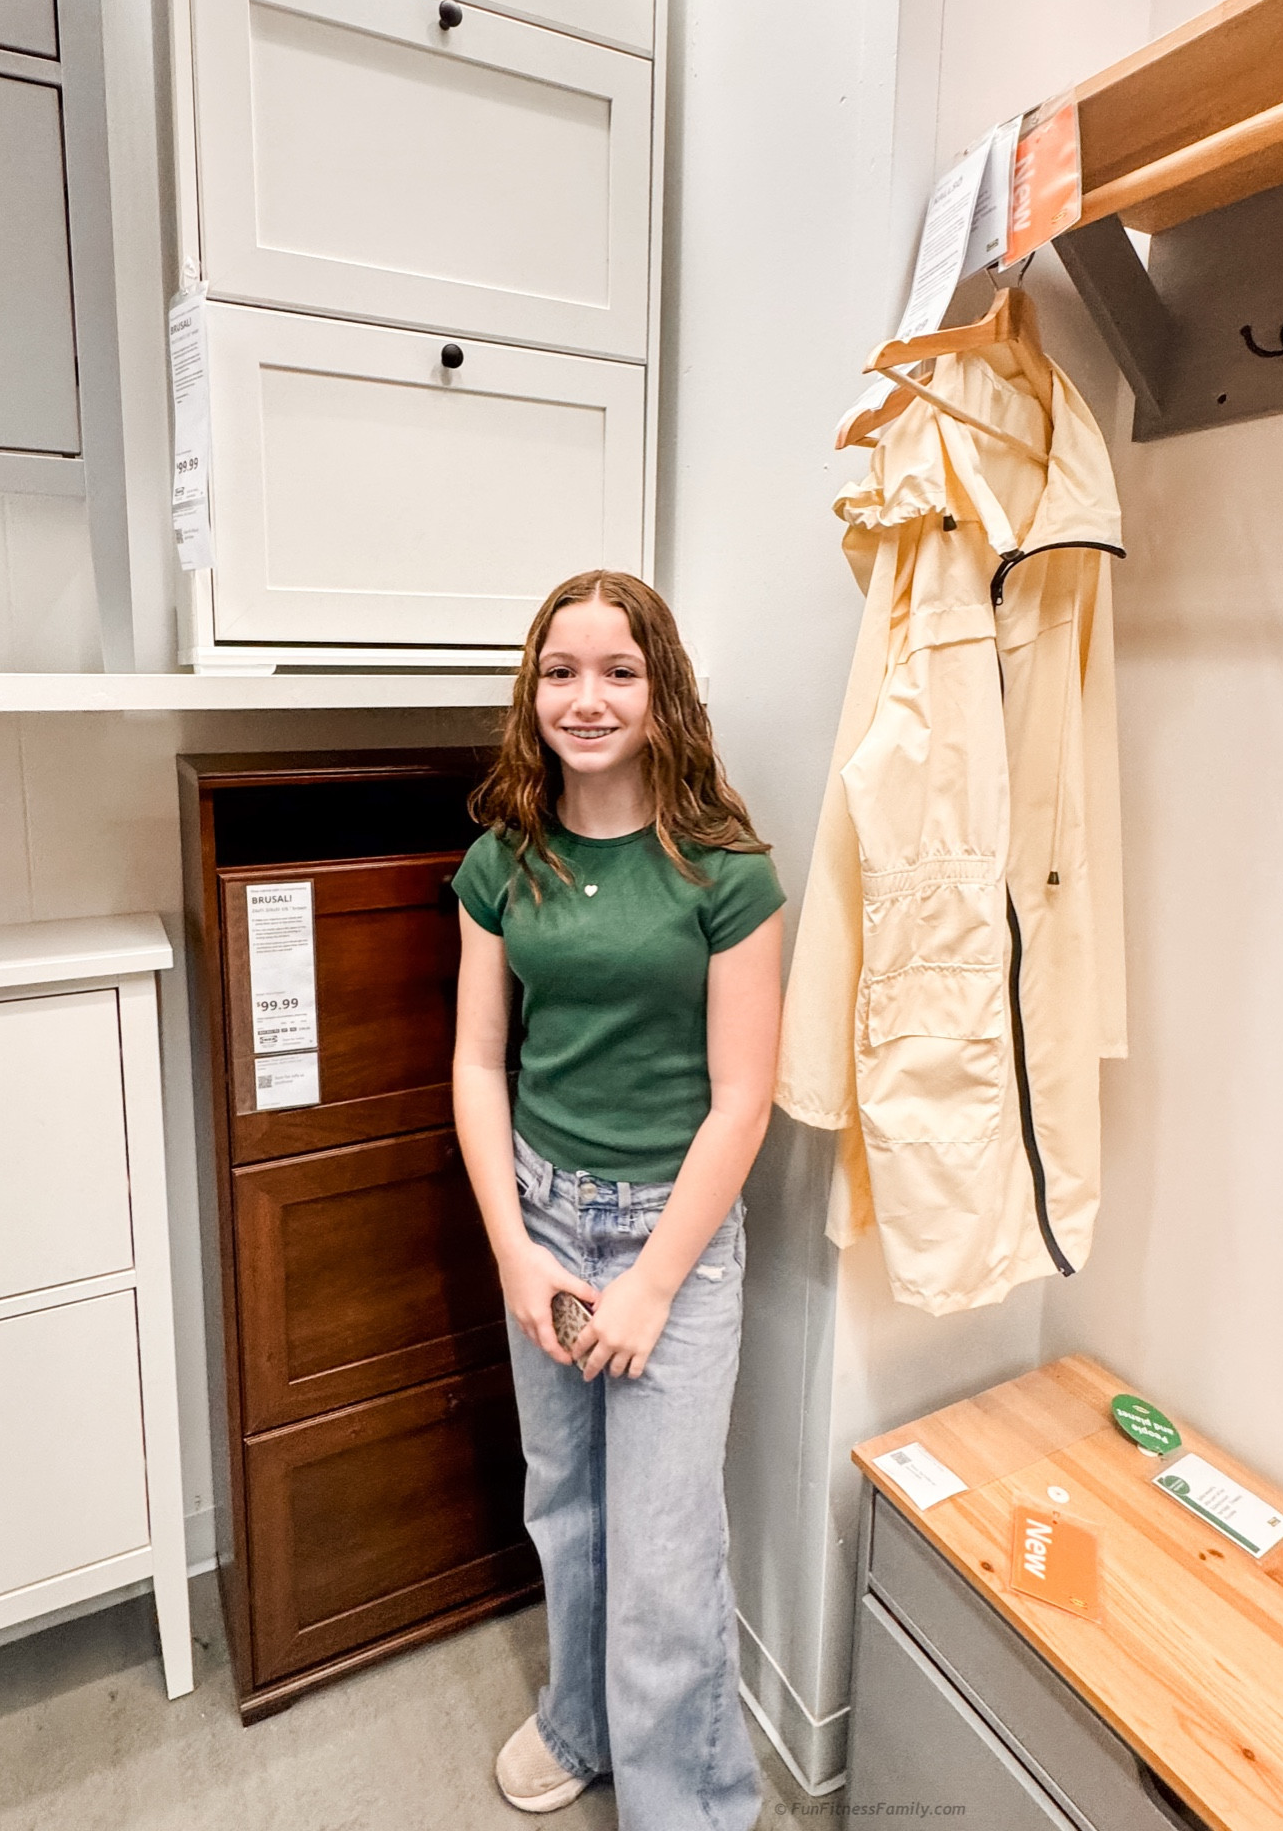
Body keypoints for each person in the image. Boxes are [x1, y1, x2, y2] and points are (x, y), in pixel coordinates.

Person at [451, 570, 784, 1828]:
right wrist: (513, 1252)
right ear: (532, 690)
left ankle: (684, 1801)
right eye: (560, 671)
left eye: (616, 671)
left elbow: (741, 1101)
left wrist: (649, 1281)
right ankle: (580, 1723)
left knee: (663, 1549)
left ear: (663, 691)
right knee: (566, 1504)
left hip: (673, 1239)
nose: (584, 698)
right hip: (540, 1216)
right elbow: (479, 1061)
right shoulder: (502, 858)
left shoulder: (722, 868)